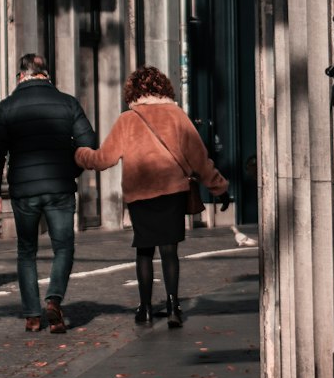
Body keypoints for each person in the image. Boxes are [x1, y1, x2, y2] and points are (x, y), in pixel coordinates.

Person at [75, 65, 230, 328]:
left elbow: (104, 158)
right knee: (169, 250)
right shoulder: (177, 115)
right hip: (172, 192)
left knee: (144, 250)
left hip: (140, 194)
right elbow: (199, 158)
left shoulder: (127, 120)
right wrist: (218, 186)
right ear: (163, 87)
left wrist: (80, 154)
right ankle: (172, 306)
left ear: (133, 91)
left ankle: (145, 309)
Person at [0, 53, 96, 334]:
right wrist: (70, 171)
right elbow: (88, 144)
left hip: (24, 188)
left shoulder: (7, 107)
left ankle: (33, 315)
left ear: (21, 76)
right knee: (63, 246)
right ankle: (54, 298)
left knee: (26, 251)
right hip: (59, 186)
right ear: (46, 74)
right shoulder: (67, 103)